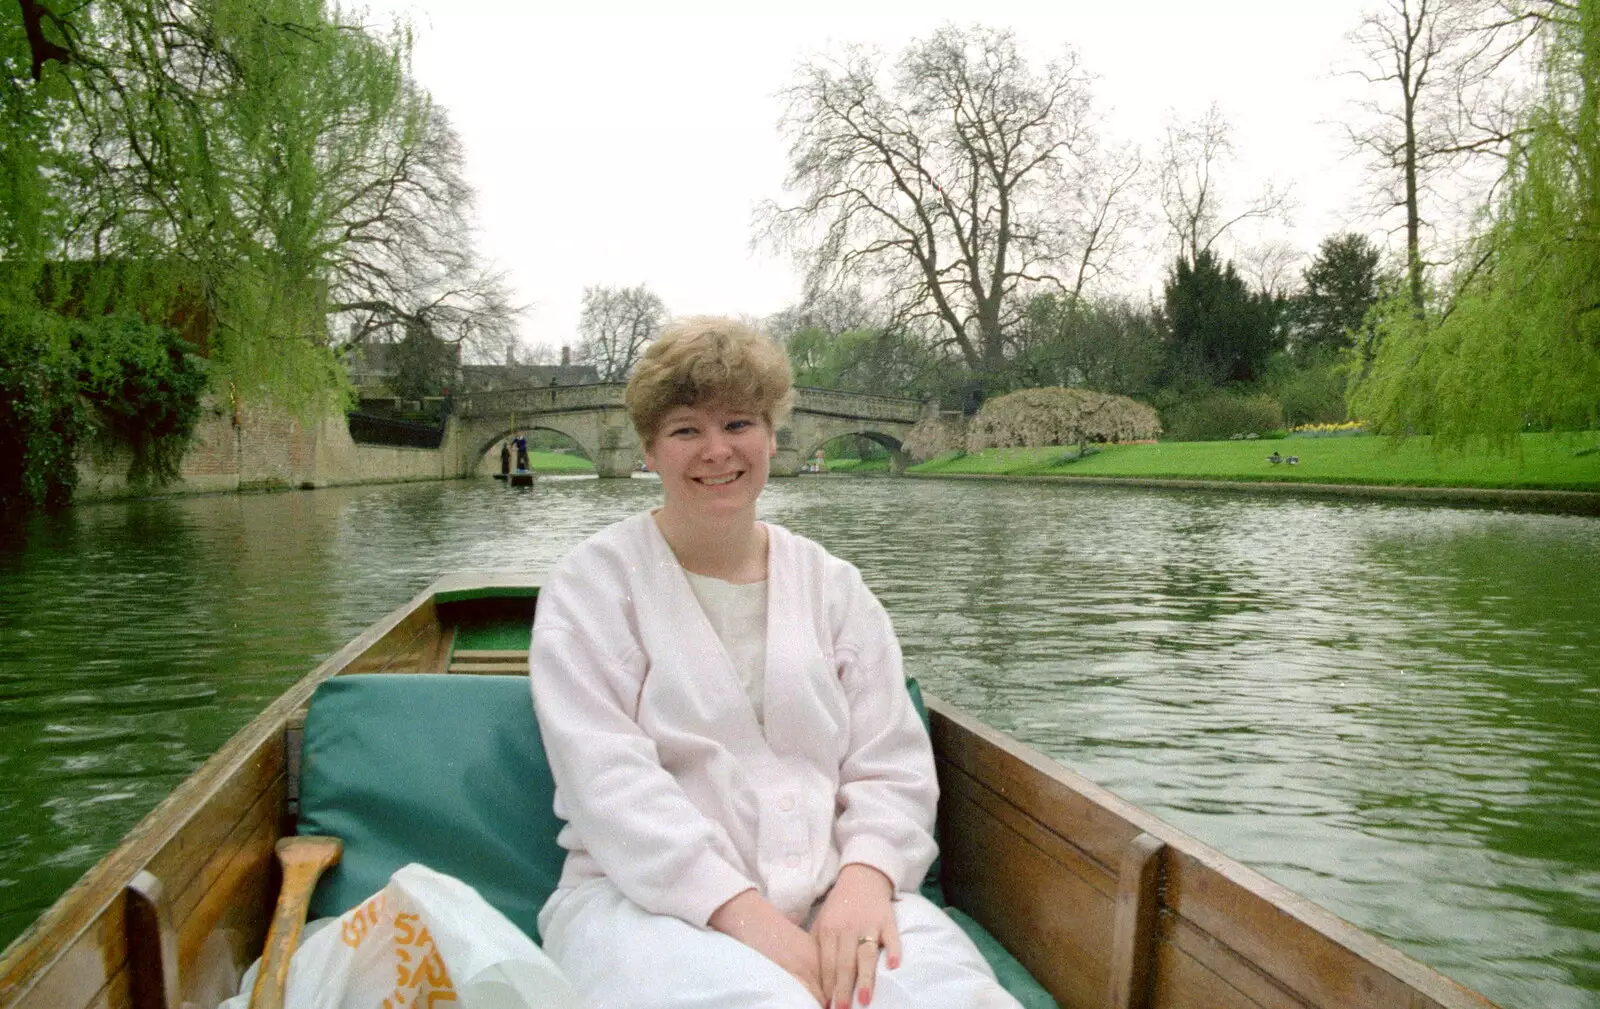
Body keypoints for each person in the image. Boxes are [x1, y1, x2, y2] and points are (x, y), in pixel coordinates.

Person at [529, 317, 1022, 1009]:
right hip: (646, 906)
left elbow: (891, 763)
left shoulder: (835, 588)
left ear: (770, 433)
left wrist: (865, 878)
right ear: (649, 447)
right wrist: (763, 930)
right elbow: (609, 787)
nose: (716, 450)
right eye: (685, 430)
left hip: (835, 890)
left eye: (737, 423)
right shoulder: (590, 588)